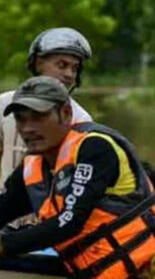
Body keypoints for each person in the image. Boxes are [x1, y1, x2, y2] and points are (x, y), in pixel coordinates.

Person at [0, 77, 155, 279]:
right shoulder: (32, 168)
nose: (27, 128)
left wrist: (5, 244)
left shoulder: (95, 148)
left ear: (66, 113)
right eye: (21, 119)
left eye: (38, 117)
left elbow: (70, 222)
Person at [0, 27, 93, 184]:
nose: (69, 74)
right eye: (62, 65)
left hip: (51, 205)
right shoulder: (4, 103)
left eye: (75, 68)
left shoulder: (81, 118)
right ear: (38, 64)